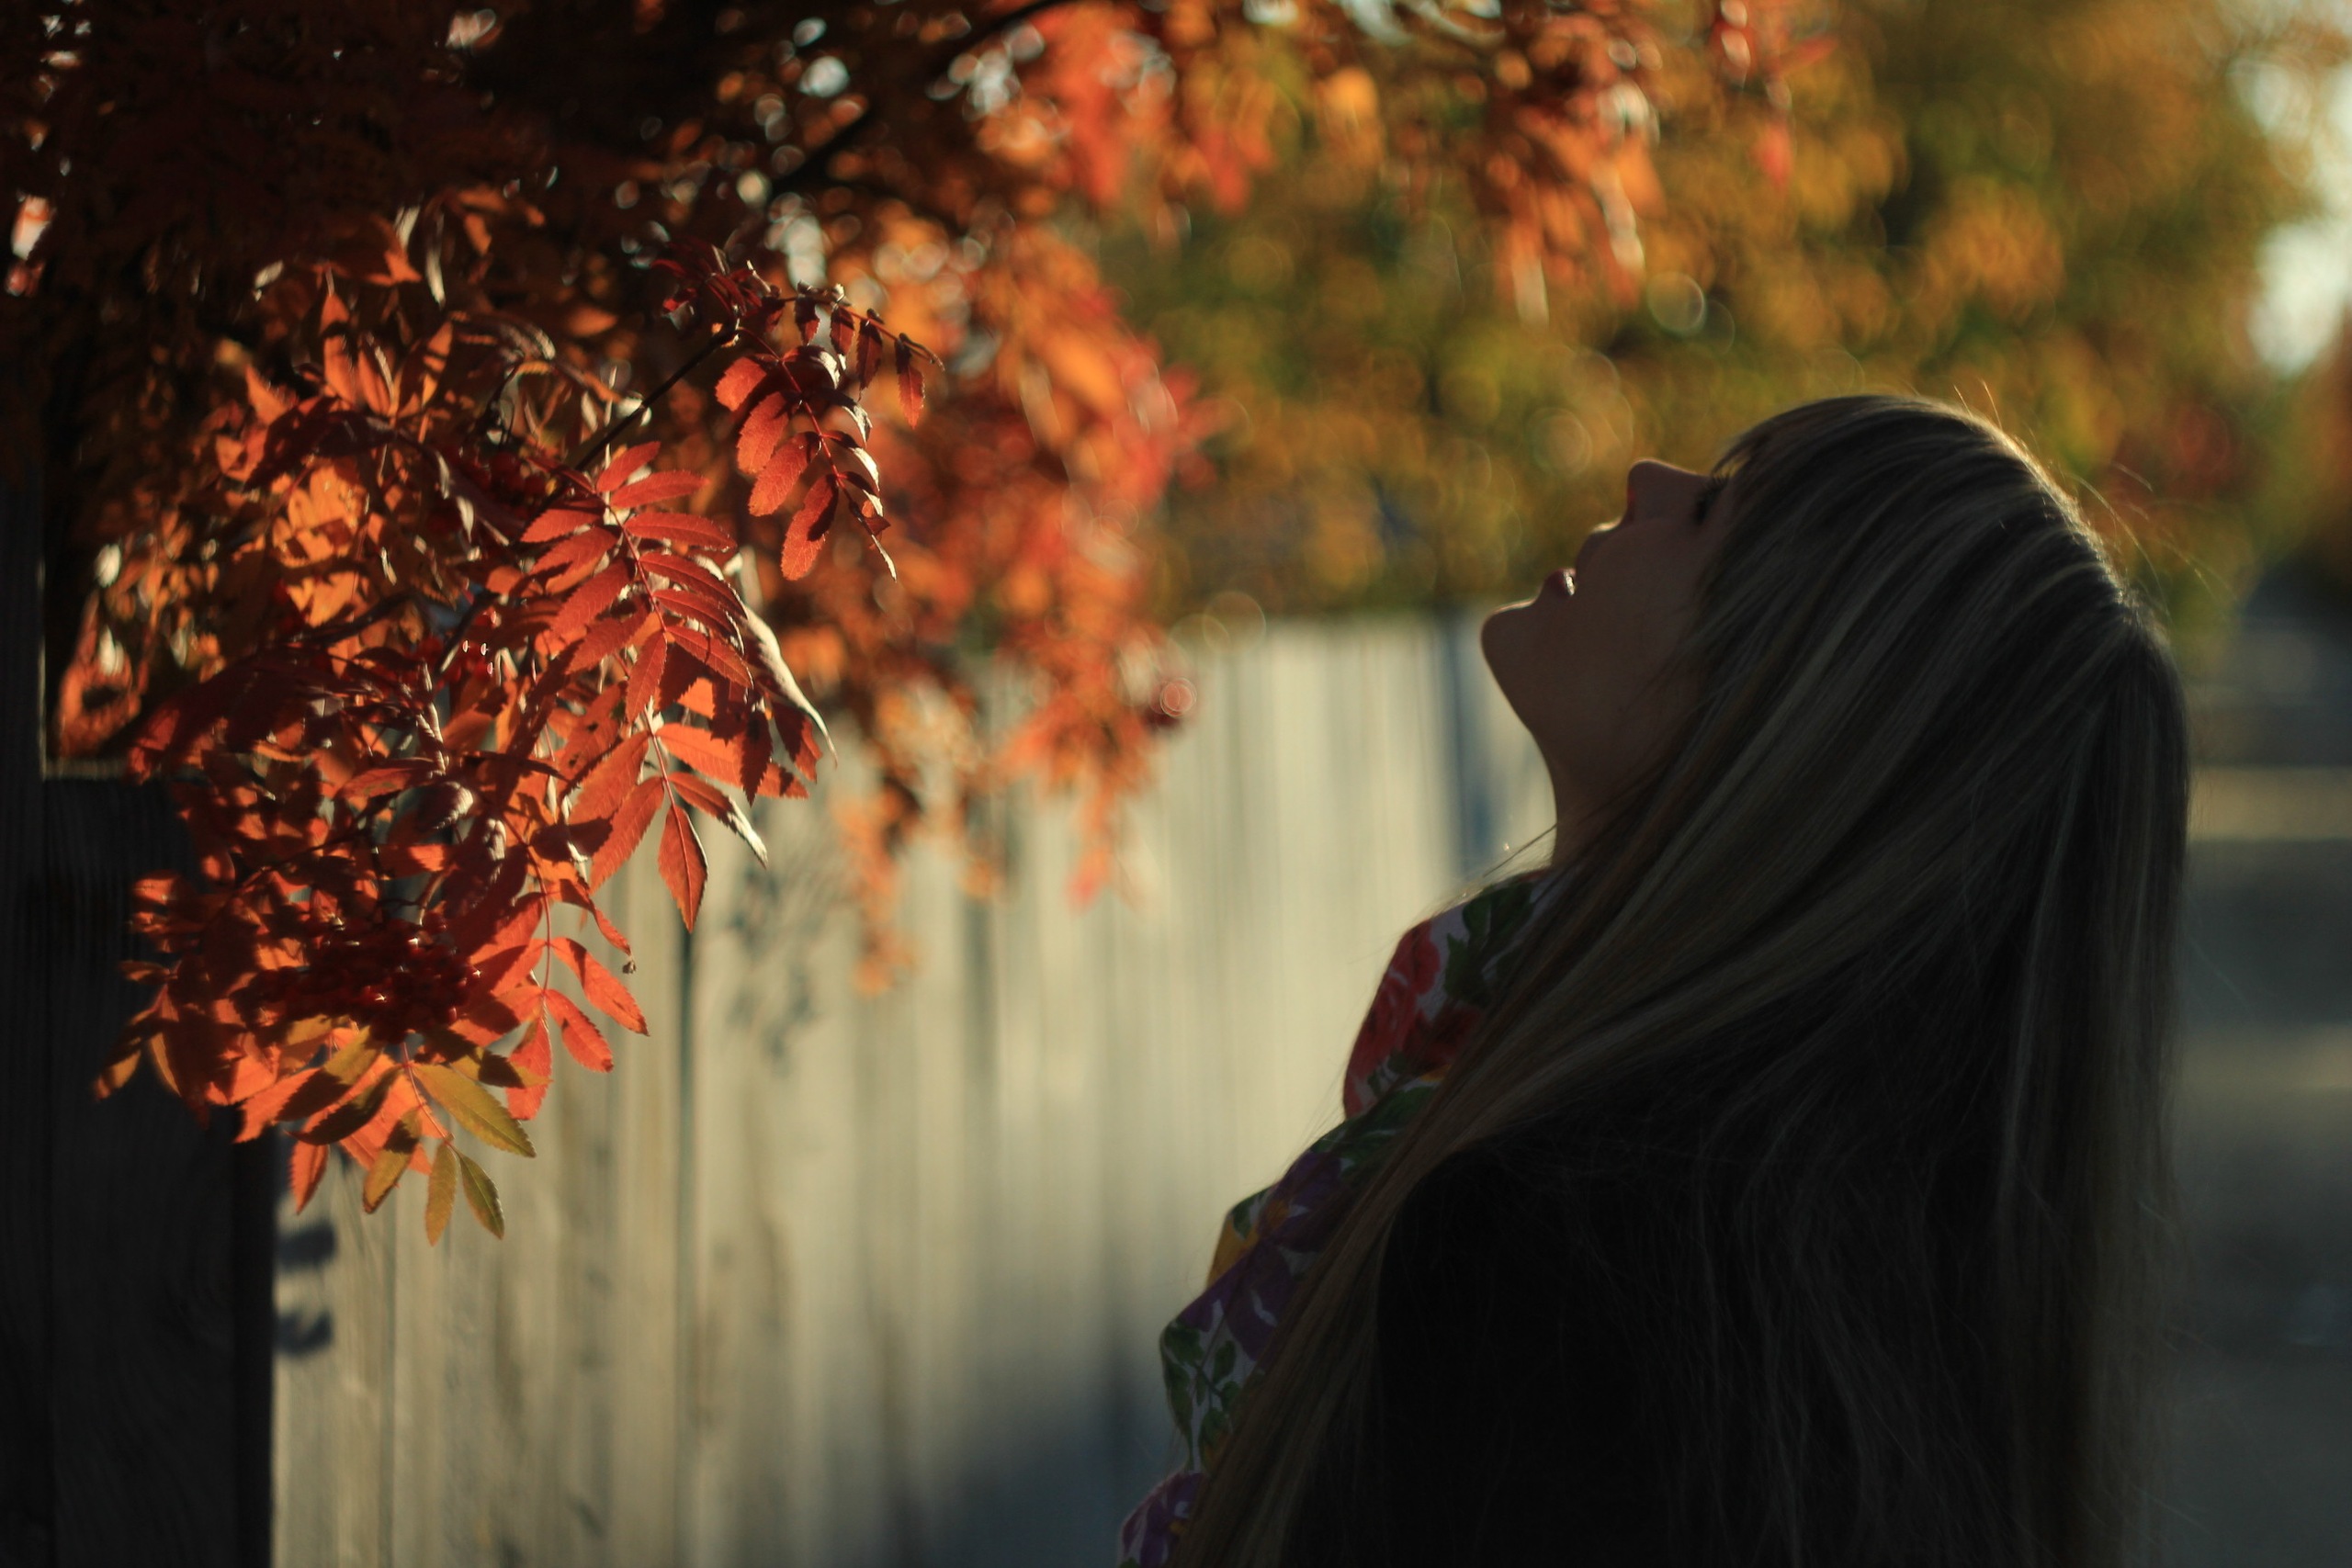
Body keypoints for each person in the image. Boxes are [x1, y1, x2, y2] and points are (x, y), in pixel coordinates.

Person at [1118, 395, 2189, 1568]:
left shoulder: (1565, 1259)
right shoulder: (1794, 1255)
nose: (1646, 478)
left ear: (1798, 704)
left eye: (1723, 507)